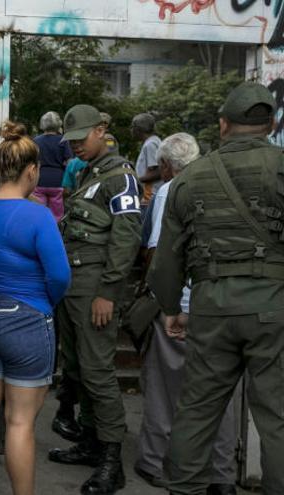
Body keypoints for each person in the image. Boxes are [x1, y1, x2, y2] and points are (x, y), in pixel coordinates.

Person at [149, 82, 284, 495]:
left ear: (223, 124)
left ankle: (184, 488)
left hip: (211, 308)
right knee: (277, 414)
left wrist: (172, 307)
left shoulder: (189, 179)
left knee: (198, 408)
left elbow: (166, 260)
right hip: (274, 307)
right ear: (272, 123)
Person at [0, 121, 70, 495]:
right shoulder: (38, 215)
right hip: (26, 319)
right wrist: (40, 305)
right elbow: (59, 275)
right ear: (32, 170)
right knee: (20, 422)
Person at [134, 133, 238, 495]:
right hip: (225, 306)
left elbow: (157, 255)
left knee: (165, 389)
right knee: (220, 392)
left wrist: (168, 305)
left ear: (165, 166)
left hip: (181, 306)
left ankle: (158, 462)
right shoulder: (226, 182)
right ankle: (222, 474)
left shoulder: (169, 191)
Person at [49, 104, 142, 495]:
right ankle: (89, 442)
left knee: (99, 373)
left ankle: (111, 462)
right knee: (78, 369)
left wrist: (108, 292)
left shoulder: (120, 177)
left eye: (81, 139)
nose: (75, 148)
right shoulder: (90, 173)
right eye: (69, 142)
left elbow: (127, 239)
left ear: (102, 129)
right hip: (74, 286)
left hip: (96, 289)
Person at [32, 111, 72, 220]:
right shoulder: (63, 141)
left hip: (40, 180)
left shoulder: (36, 141)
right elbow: (69, 162)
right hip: (58, 181)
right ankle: (56, 233)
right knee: (57, 214)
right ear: (58, 124)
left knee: (39, 211)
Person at [132, 113, 162, 202]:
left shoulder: (150, 145)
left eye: (132, 127)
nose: (131, 130)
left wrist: (135, 180)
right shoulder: (153, 141)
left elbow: (157, 172)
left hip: (149, 196)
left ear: (138, 129)